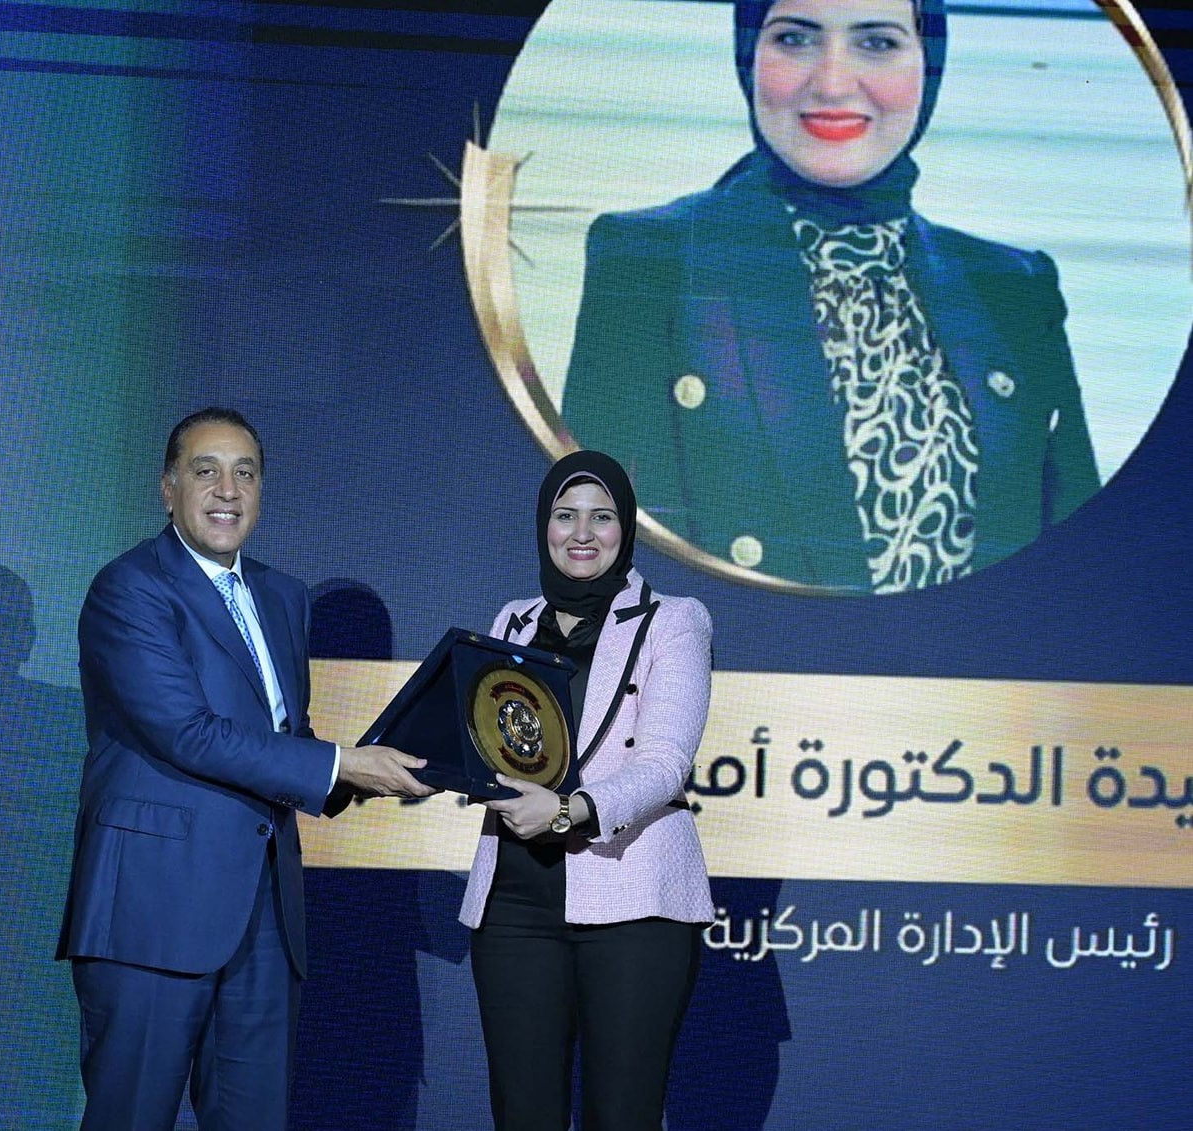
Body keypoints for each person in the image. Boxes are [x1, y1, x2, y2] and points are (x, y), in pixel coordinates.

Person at [562, 0, 1100, 592]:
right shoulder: (653, 258)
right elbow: (603, 564)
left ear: (929, 62)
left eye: (877, 42)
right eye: (795, 39)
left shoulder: (1011, 285)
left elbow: (1077, 566)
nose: (833, 83)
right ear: (748, 56)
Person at [57, 407, 434, 1131]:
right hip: (153, 911)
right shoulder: (130, 588)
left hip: (264, 918)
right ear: (168, 487)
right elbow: (188, 732)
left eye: (245, 473)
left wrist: (383, 769)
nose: (227, 490)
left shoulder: (282, 595)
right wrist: (342, 763)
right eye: (206, 471)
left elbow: (285, 737)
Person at [460, 450, 715, 1131]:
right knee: (523, 1115)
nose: (582, 533)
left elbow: (665, 763)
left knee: (622, 1115)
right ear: (543, 525)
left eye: (601, 517)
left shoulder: (673, 620)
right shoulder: (512, 621)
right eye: (565, 514)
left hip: (632, 901)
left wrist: (569, 810)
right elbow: (486, 739)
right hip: (515, 902)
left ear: (626, 528)